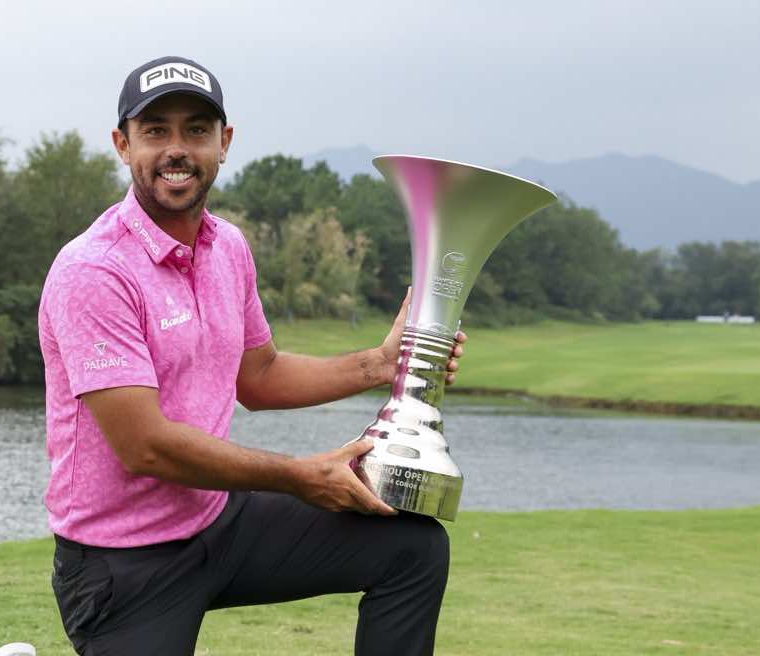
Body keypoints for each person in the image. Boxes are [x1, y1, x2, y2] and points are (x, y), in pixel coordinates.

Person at [38, 55, 467, 656]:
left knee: (413, 546)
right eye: (155, 130)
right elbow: (145, 446)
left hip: (217, 521)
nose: (176, 149)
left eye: (196, 129)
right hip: (122, 564)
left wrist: (382, 364)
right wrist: (299, 477)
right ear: (122, 144)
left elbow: (259, 377)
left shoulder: (227, 247)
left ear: (224, 142)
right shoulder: (93, 271)